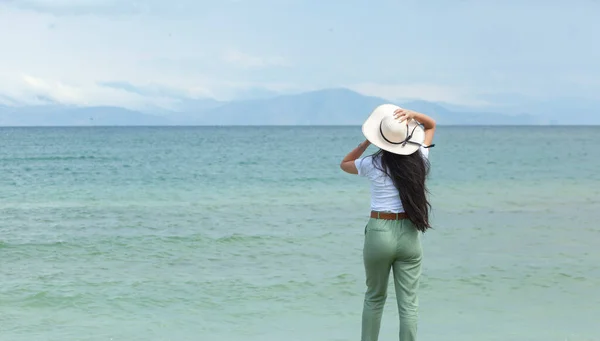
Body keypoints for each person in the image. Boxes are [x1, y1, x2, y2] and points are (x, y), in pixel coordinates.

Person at [340, 104, 436, 341]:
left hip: (380, 231)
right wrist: (413, 115)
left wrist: (365, 143)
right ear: (407, 137)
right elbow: (431, 125)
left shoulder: (372, 163)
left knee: (374, 297)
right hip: (410, 233)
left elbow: (345, 164)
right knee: (409, 305)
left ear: (381, 140)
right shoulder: (421, 158)